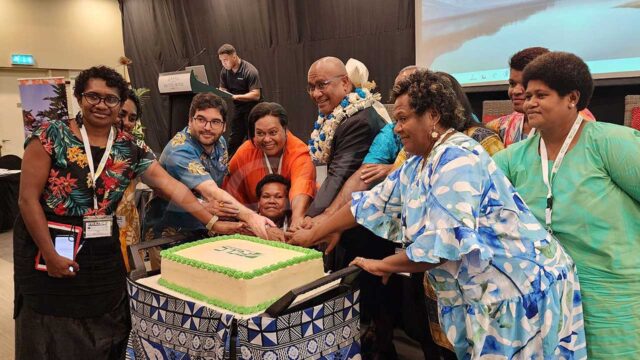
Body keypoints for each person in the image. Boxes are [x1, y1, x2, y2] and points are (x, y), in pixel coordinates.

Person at [289, 69, 587, 359]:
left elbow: (440, 249)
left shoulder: (457, 159)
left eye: (403, 119)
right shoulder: (419, 161)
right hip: (490, 292)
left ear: (433, 115)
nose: (397, 128)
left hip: (520, 290)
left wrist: (383, 265)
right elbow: (367, 204)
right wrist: (314, 232)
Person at [13, 66, 240, 359]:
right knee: (52, 327)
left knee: (106, 319)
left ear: (120, 104)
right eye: (93, 96)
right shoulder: (49, 135)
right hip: (49, 242)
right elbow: (26, 200)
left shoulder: (130, 146)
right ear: (80, 97)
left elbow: (174, 187)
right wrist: (49, 252)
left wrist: (211, 221)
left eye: (110, 99)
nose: (101, 104)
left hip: (102, 244)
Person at [494, 51, 640, 359]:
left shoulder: (611, 143)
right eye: (527, 93)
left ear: (572, 97)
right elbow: (471, 191)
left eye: (540, 95)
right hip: (546, 301)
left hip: (611, 297)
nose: (529, 101)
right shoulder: (514, 157)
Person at [146, 92, 273, 243]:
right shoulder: (179, 150)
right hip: (170, 232)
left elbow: (221, 187)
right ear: (190, 120)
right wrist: (251, 217)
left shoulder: (220, 143)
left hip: (205, 227)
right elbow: (211, 191)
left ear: (224, 126)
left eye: (215, 122)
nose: (208, 127)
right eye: (201, 119)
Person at [223, 102, 315, 229]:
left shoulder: (300, 152)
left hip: (292, 221)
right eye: (260, 133)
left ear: (285, 130)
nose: (267, 139)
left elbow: (302, 186)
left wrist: (297, 219)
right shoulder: (244, 152)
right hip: (250, 221)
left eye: (273, 132)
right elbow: (230, 190)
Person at [486, 47, 595, 147]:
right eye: (512, 84)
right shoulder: (502, 126)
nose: (515, 91)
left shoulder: (583, 127)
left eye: (525, 85)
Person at [114, 89, 144, 271]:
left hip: (128, 225)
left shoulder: (136, 148)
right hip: (96, 233)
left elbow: (164, 183)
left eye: (132, 118)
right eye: (122, 115)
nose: (126, 123)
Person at [218, 43, 263, 155]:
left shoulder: (249, 70)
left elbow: (256, 94)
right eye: (221, 61)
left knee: (252, 139)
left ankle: (256, 164)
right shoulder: (225, 71)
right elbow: (222, 88)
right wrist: (220, 92)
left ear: (234, 56)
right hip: (239, 108)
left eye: (225, 60)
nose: (223, 63)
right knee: (234, 139)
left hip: (254, 108)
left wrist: (236, 96)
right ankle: (229, 166)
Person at [254, 174, 291, 242]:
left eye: (278, 197)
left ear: (288, 202)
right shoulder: (245, 225)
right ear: (258, 202)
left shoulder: (294, 224)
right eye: (266, 196)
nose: (271, 201)